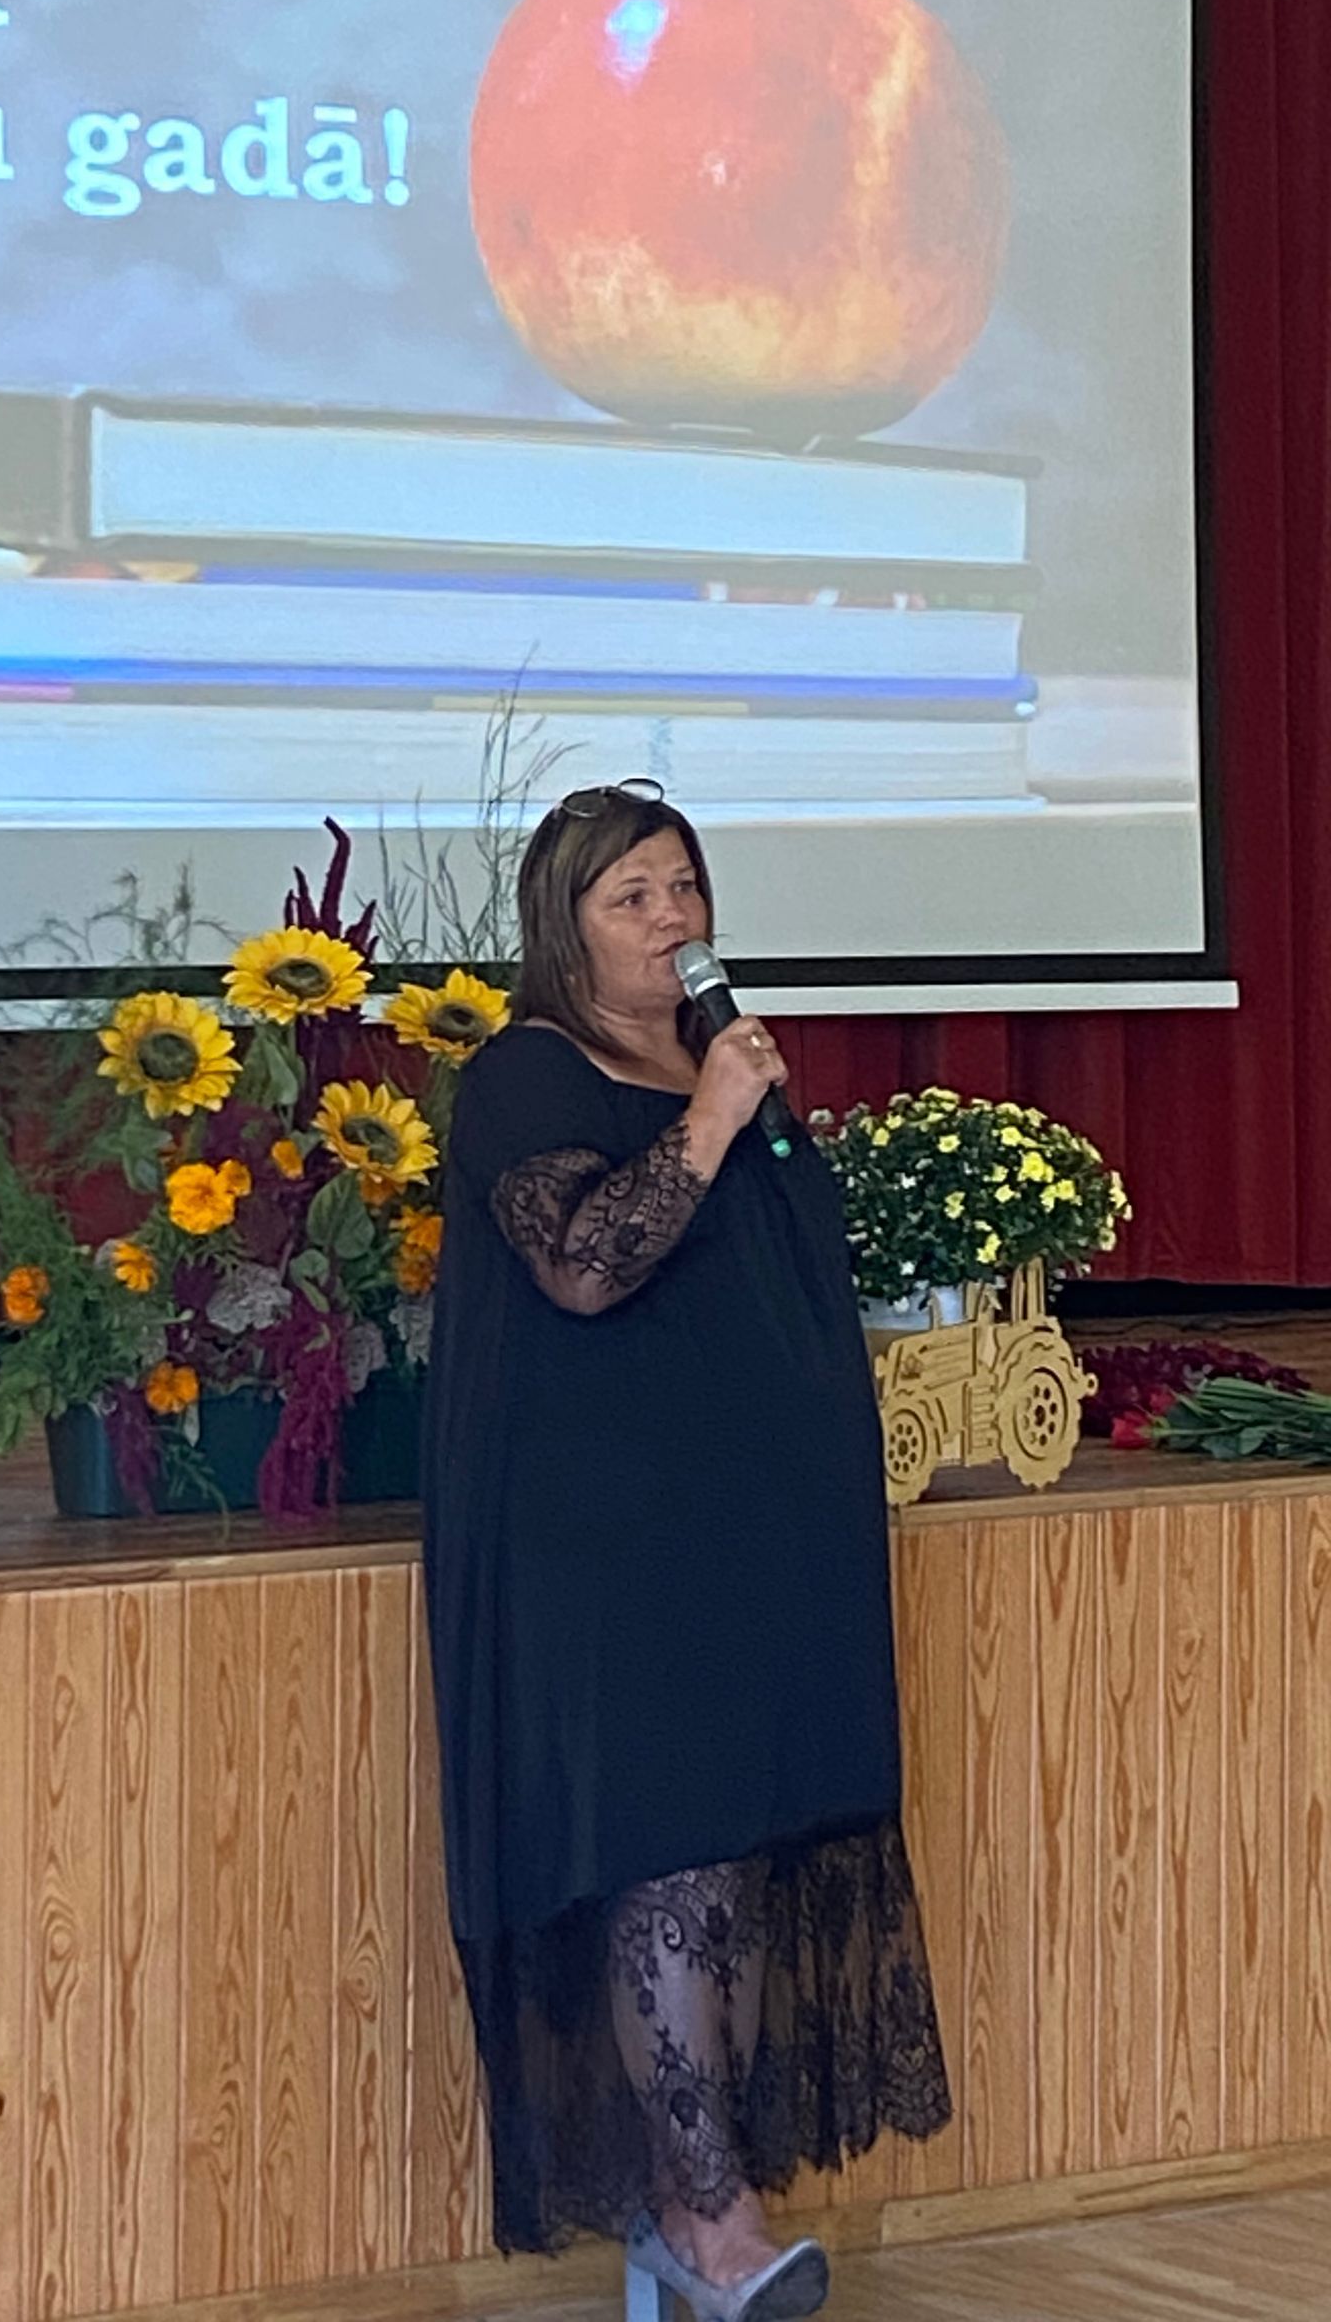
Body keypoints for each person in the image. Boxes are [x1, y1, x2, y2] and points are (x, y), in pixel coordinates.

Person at [421, 781, 951, 2322]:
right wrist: (711, 1119)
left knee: (745, 1845)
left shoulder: (727, 1066)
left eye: (684, 887)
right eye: (633, 897)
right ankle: (710, 2226)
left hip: (756, 1531)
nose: (673, 919)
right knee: (667, 1855)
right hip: (610, 1548)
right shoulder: (525, 1076)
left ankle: (697, 2217)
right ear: (565, 928)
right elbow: (585, 1267)